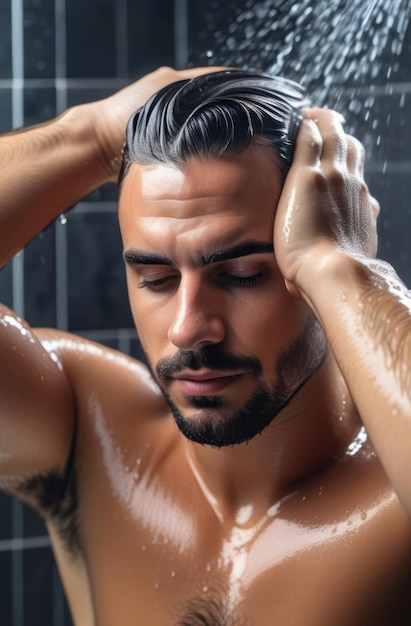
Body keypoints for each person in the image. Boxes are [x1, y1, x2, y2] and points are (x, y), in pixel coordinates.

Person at [0, 65, 410, 626]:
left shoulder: (394, 501)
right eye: (157, 279)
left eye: (241, 274)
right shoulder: (88, 432)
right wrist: (91, 137)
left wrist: (341, 267)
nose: (189, 329)